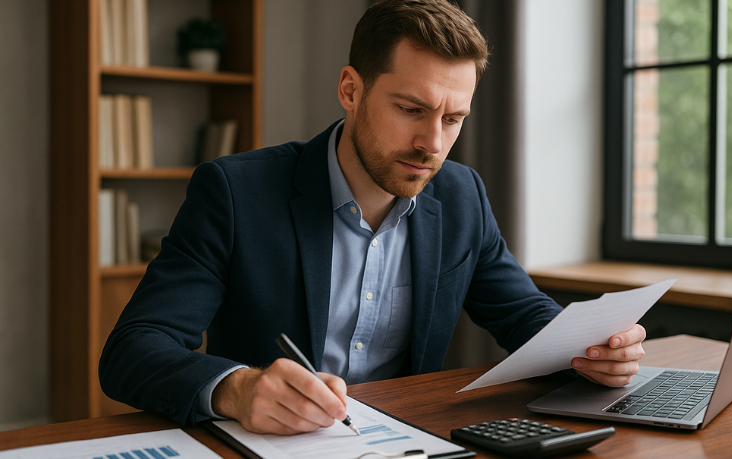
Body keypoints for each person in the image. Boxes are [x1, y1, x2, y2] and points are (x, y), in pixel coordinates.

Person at [99, 0, 646, 436]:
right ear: (350, 90)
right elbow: (133, 349)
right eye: (411, 109)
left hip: (404, 442)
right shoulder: (236, 191)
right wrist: (237, 389)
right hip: (271, 447)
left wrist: (591, 352)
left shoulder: (462, 195)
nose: (433, 144)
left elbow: (522, 314)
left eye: (453, 119)